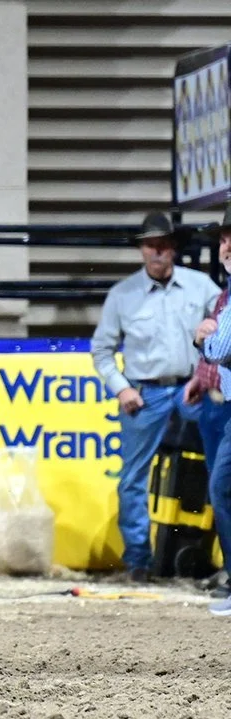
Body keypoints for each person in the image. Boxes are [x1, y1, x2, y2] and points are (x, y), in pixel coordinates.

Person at [91, 210, 221, 583]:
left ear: (174, 248)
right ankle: (139, 562)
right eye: (151, 245)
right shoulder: (122, 295)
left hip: (190, 387)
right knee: (132, 478)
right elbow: (102, 350)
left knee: (221, 463)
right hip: (144, 392)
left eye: (163, 245)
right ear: (142, 250)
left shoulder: (203, 289)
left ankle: (220, 555)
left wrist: (208, 374)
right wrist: (122, 387)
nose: (157, 252)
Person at [184, 206, 231, 598]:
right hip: (219, 400)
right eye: (224, 238)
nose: (226, 245)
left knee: (223, 487)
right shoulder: (224, 294)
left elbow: (222, 346)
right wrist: (201, 376)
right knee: (221, 487)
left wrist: (203, 340)